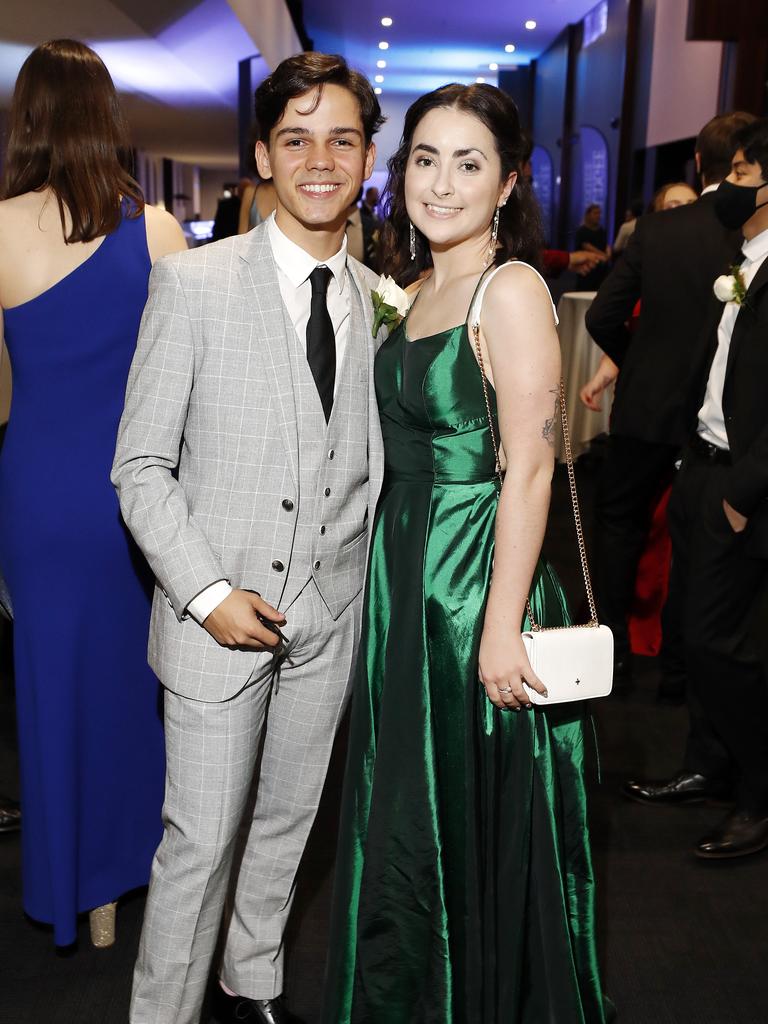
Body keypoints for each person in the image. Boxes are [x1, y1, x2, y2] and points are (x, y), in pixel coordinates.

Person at [323, 83, 607, 1023]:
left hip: (475, 588)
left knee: (464, 825)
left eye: (469, 162)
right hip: (407, 585)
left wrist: (497, 629)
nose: (441, 183)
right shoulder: (413, 292)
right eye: (425, 158)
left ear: (509, 182)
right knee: (407, 817)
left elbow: (528, 467)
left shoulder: (510, 287)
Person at [112, 52, 384, 1024]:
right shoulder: (191, 283)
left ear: (366, 155)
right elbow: (139, 467)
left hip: (328, 616)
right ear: (263, 154)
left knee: (287, 827)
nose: (321, 159)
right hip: (215, 617)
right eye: (297, 139)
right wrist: (205, 593)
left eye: (343, 138)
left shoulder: (374, 295)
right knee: (200, 844)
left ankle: (250, 984)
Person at [0, 39, 185, 948]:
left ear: (25, 117)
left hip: (34, 491)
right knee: (127, 687)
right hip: (128, 495)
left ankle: (69, 888)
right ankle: (119, 884)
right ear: (105, 117)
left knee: (46, 691)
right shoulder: (153, 232)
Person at [626, 119, 768, 858]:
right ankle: (709, 767)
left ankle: (757, 791)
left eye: (743, 171)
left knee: (722, 646)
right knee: (690, 632)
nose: (730, 185)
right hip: (699, 465)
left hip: (738, 490)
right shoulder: (744, 259)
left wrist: (741, 495)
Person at [584, 112, 753, 697]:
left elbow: (602, 315)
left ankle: (614, 656)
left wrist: (639, 362)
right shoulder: (749, 236)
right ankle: (680, 674)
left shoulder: (657, 231)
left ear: (699, 165)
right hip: (725, 426)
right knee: (698, 545)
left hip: (648, 410)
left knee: (620, 528)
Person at [574, 203, 610, 290]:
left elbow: (606, 244)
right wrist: (603, 255)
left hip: (601, 269)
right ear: (588, 214)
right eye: (595, 213)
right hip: (587, 268)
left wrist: (608, 253)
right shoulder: (582, 230)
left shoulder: (601, 230)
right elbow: (586, 246)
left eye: (599, 213)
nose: (598, 216)